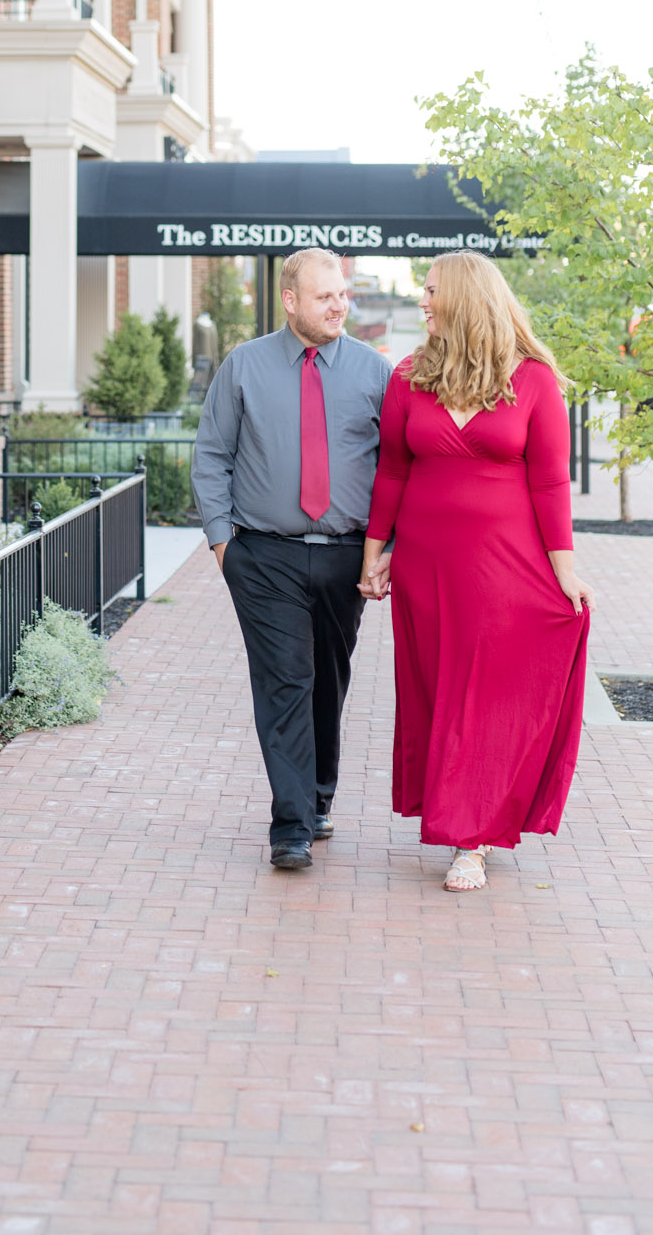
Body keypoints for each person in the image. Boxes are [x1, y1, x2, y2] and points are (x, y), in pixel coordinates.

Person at [359, 252, 593, 893]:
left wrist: (564, 572)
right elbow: (393, 473)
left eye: (431, 292)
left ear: (464, 298)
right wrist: (374, 554)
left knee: (486, 696)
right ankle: (467, 819)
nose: (422, 303)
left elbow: (550, 482)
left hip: (506, 569)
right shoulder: (409, 375)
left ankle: (472, 840)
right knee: (439, 693)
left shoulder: (535, 379)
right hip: (427, 570)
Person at [192, 247, 391, 871]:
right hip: (264, 556)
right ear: (291, 300)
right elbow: (212, 455)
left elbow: (396, 468)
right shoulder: (244, 366)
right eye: (325, 296)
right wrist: (226, 546)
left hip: (344, 558)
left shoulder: (375, 373)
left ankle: (318, 796)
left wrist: (384, 551)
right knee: (285, 683)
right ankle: (291, 825)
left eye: (343, 295)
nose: (339, 306)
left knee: (327, 681)